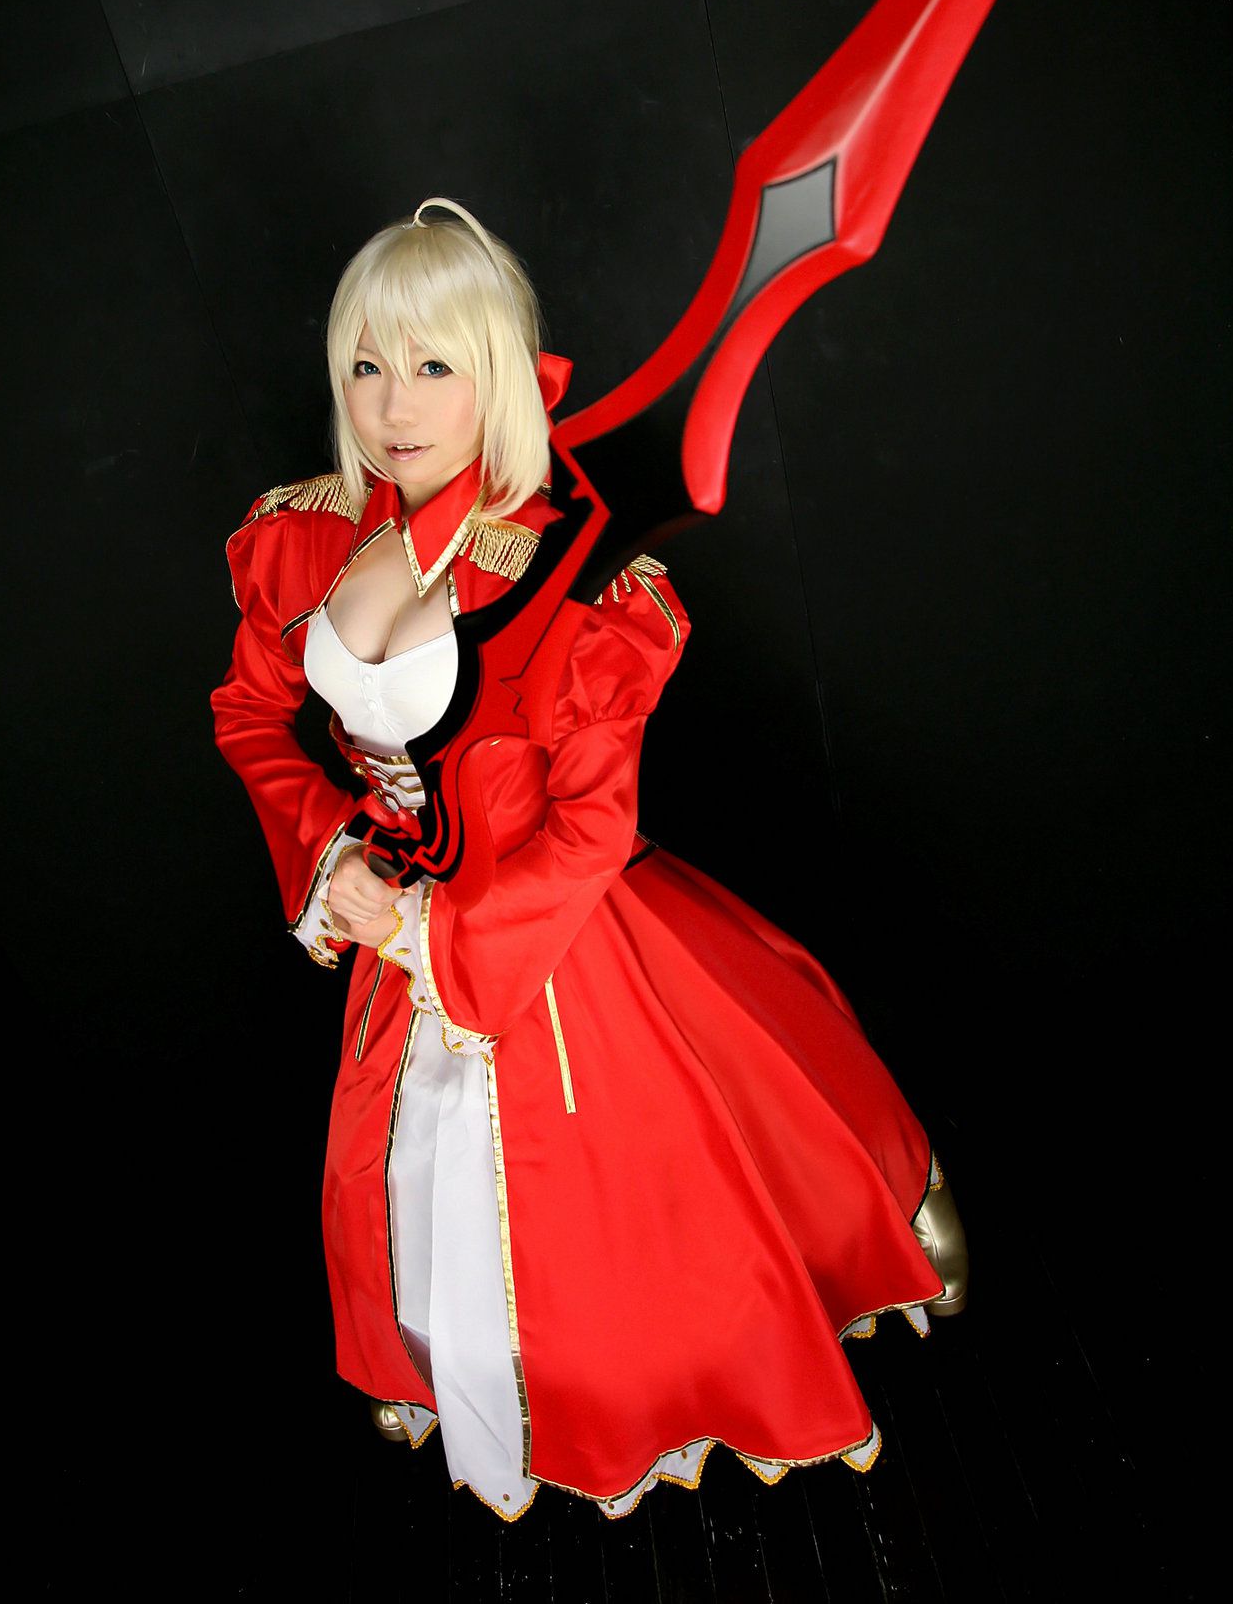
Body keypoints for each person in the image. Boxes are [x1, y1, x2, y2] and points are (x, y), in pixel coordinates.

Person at [210, 196, 968, 1522]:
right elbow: (248, 714)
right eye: (367, 365)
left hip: (552, 942)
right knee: (413, 1206)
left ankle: (673, 1380)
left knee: (634, 1217)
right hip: (394, 941)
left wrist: (438, 935)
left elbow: (592, 826)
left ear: (498, 367)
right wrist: (328, 852)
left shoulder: (573, 567)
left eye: (433, 363)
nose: (394, 403)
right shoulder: (306, 541)